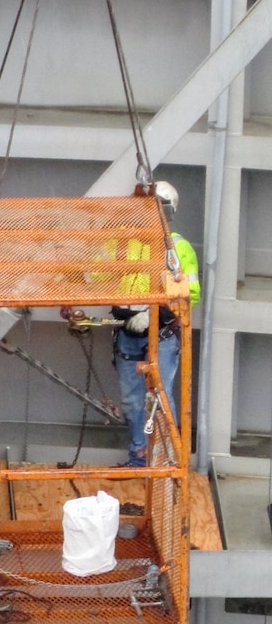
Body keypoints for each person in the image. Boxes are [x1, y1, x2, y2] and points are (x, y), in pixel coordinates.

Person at [112, 182, 201, 467]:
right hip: (127, 332)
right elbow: (98, 275)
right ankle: (139, 458)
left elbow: (191, 294)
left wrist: (154, 315)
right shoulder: (122, 242)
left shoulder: (178, 248)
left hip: (160, 334)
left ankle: (167, 463)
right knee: (132, 401)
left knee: (160, 398)